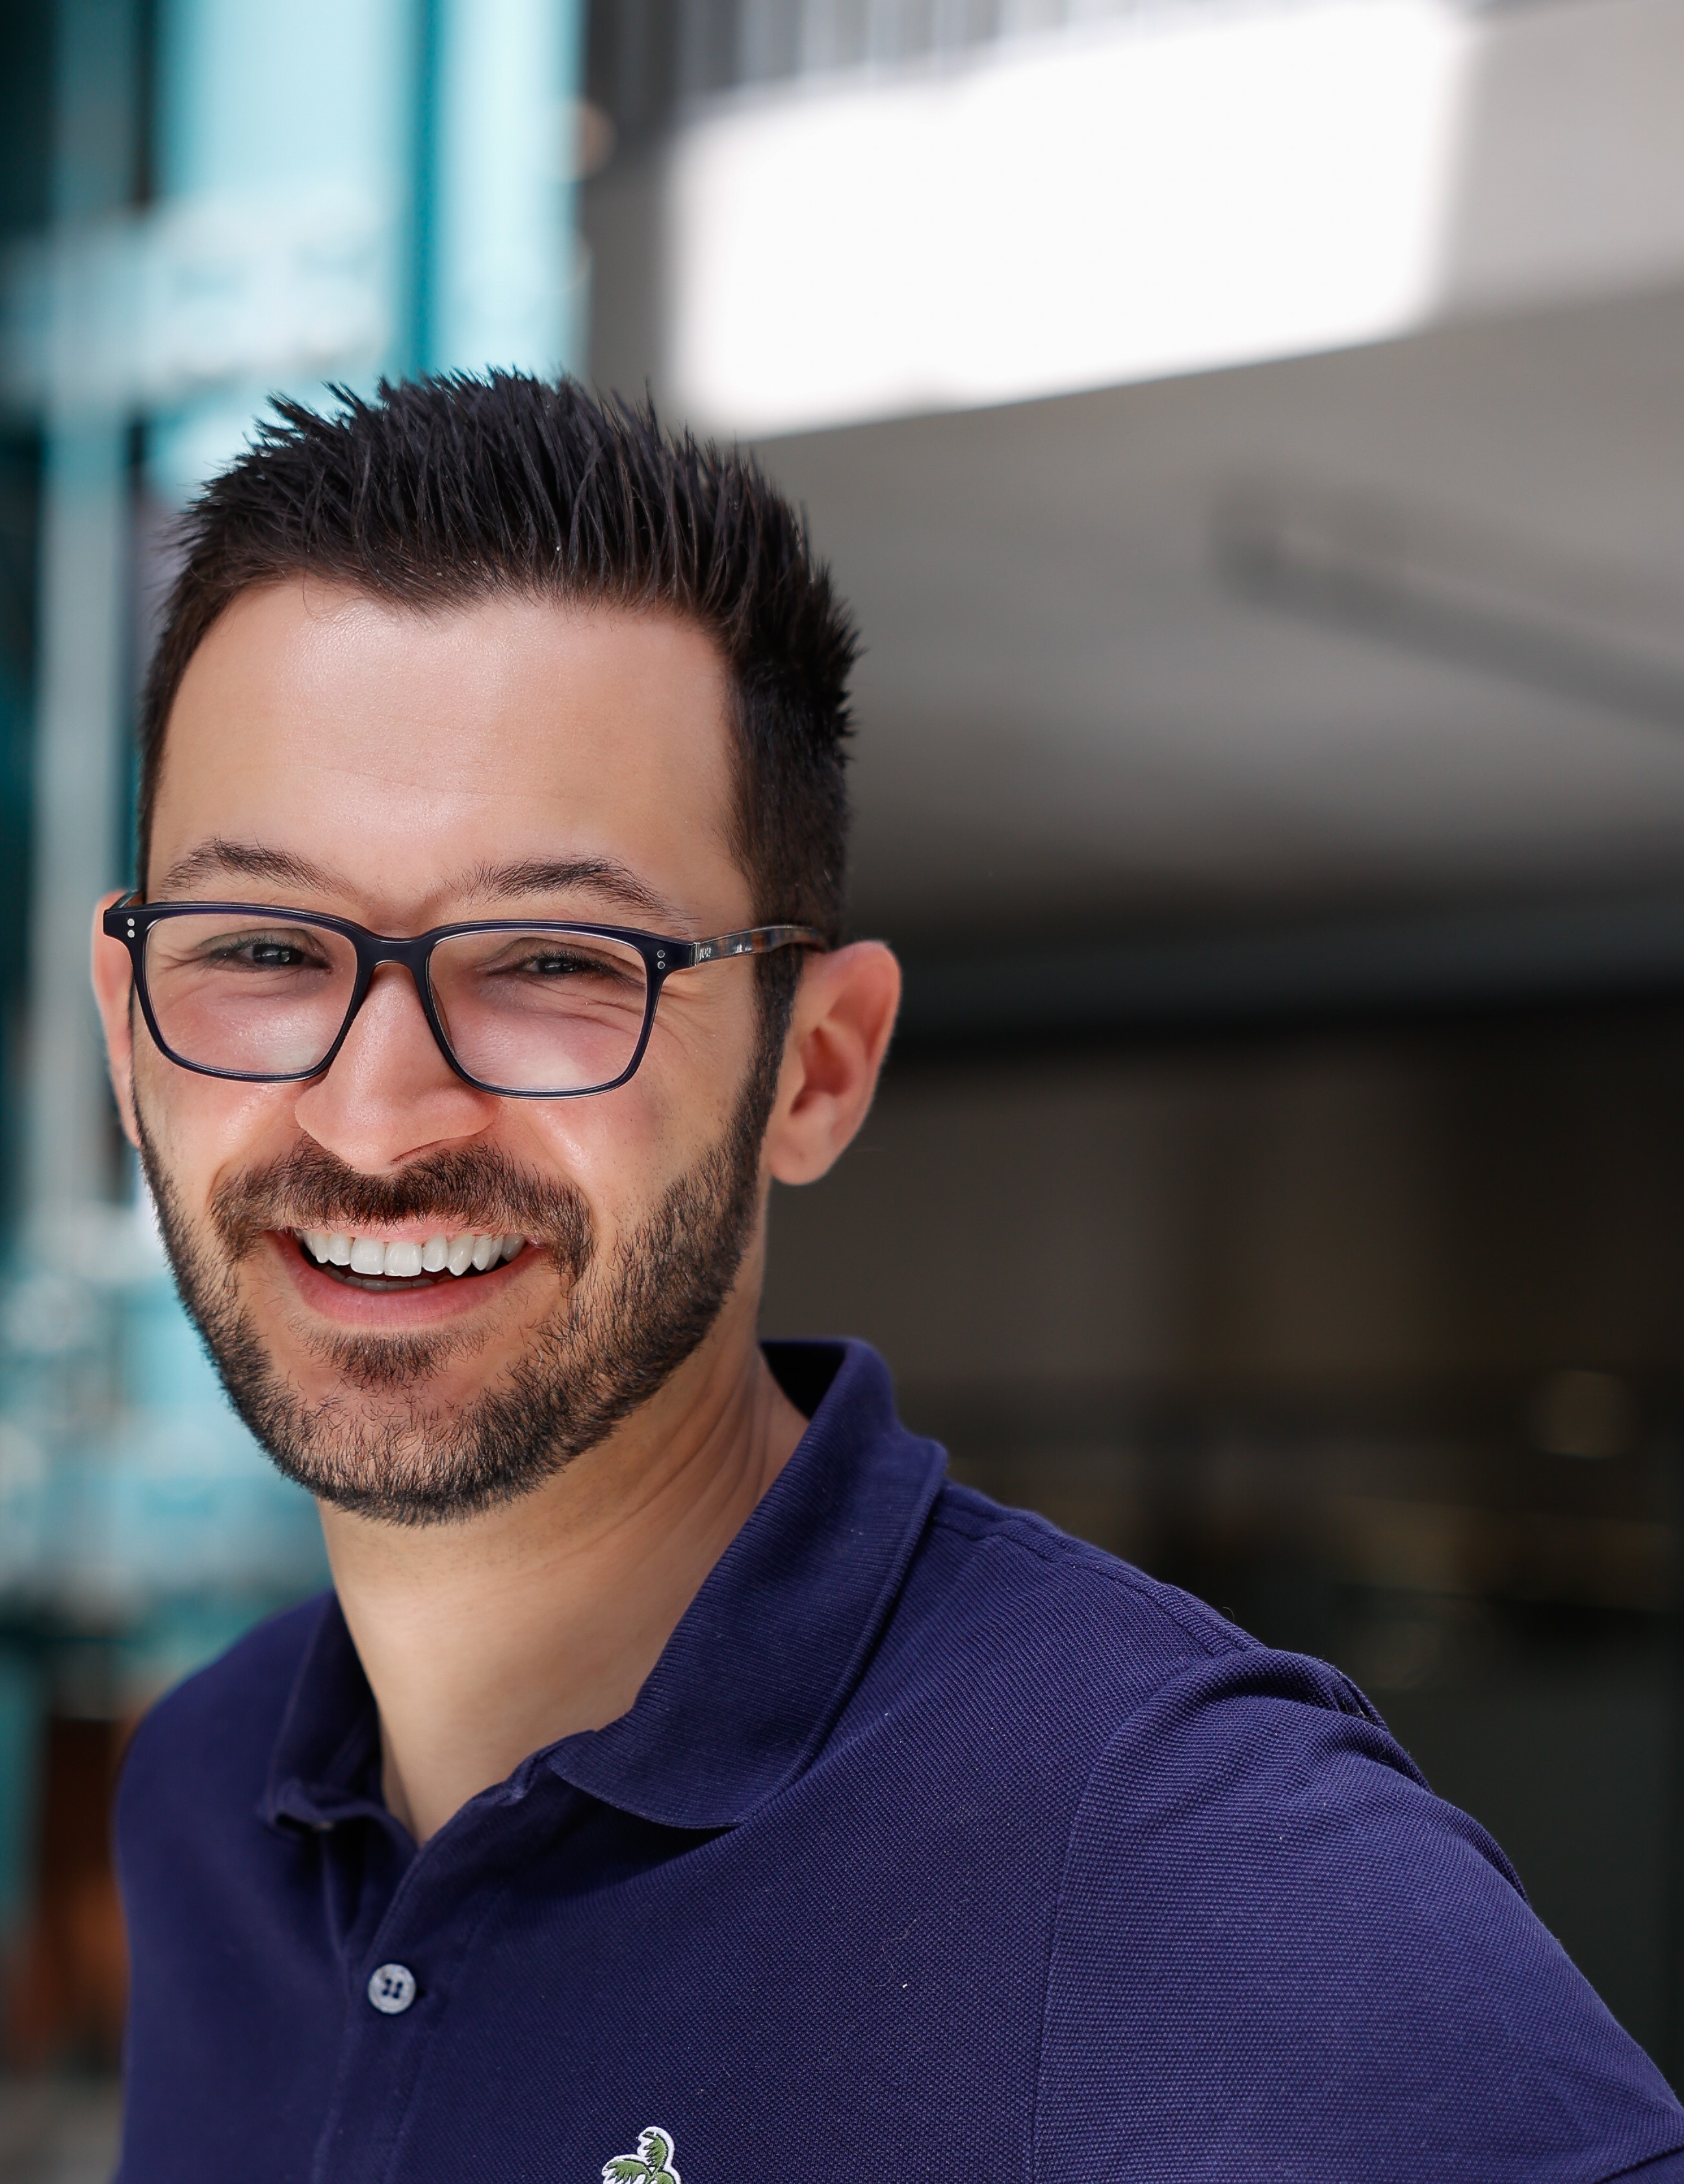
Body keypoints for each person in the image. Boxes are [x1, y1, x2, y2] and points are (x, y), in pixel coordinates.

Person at [89, 374, 1684, 2181]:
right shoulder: (213, 1797)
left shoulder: (1172, 1848)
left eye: (554, 960)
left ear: (818, 1068)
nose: (376, 1118)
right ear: (127, 1031)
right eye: (264, 948)